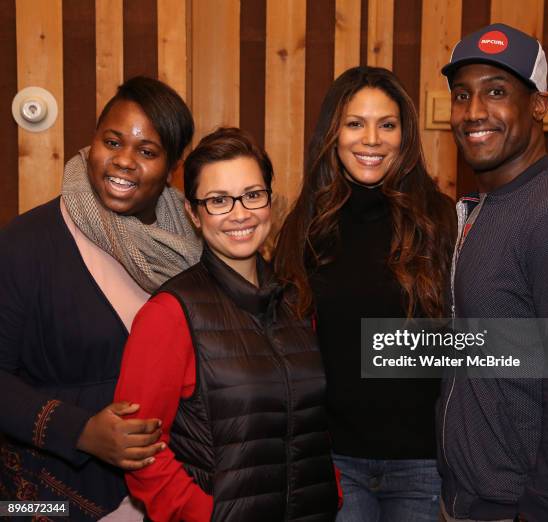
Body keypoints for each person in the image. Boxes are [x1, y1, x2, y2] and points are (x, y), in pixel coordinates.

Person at [0, 76, 201, 520]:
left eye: (147, 151)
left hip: (171, 492)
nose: (124, 161)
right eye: (112, 141)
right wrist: (80, 431)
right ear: (92, 141)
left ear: (171, 167)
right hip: (47, 496)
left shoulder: (194, 247)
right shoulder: (26, 242)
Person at [114, 127, 339, 522]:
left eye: (253, 195)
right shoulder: (169, 314)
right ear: (193, 213)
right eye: (219, 200)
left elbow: (312, 422)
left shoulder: (296, 301)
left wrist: (330, 488)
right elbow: (140, 452)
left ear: (270, 200)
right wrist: (207, 515)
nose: (240, 214)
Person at [438, 23, 548, 522]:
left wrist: (540, 512)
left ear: (540, 105)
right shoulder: (489, 206)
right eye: (461, 95)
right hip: (472, 500)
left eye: (496, 91)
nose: (474, 112)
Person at [274, 67, 457, 521]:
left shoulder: (442, 222)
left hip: (422, 463)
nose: (371, 139)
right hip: (335, 461)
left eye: (387, 124)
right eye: (355, 123)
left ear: (405, 135)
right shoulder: (305, 227)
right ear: (333, 134)